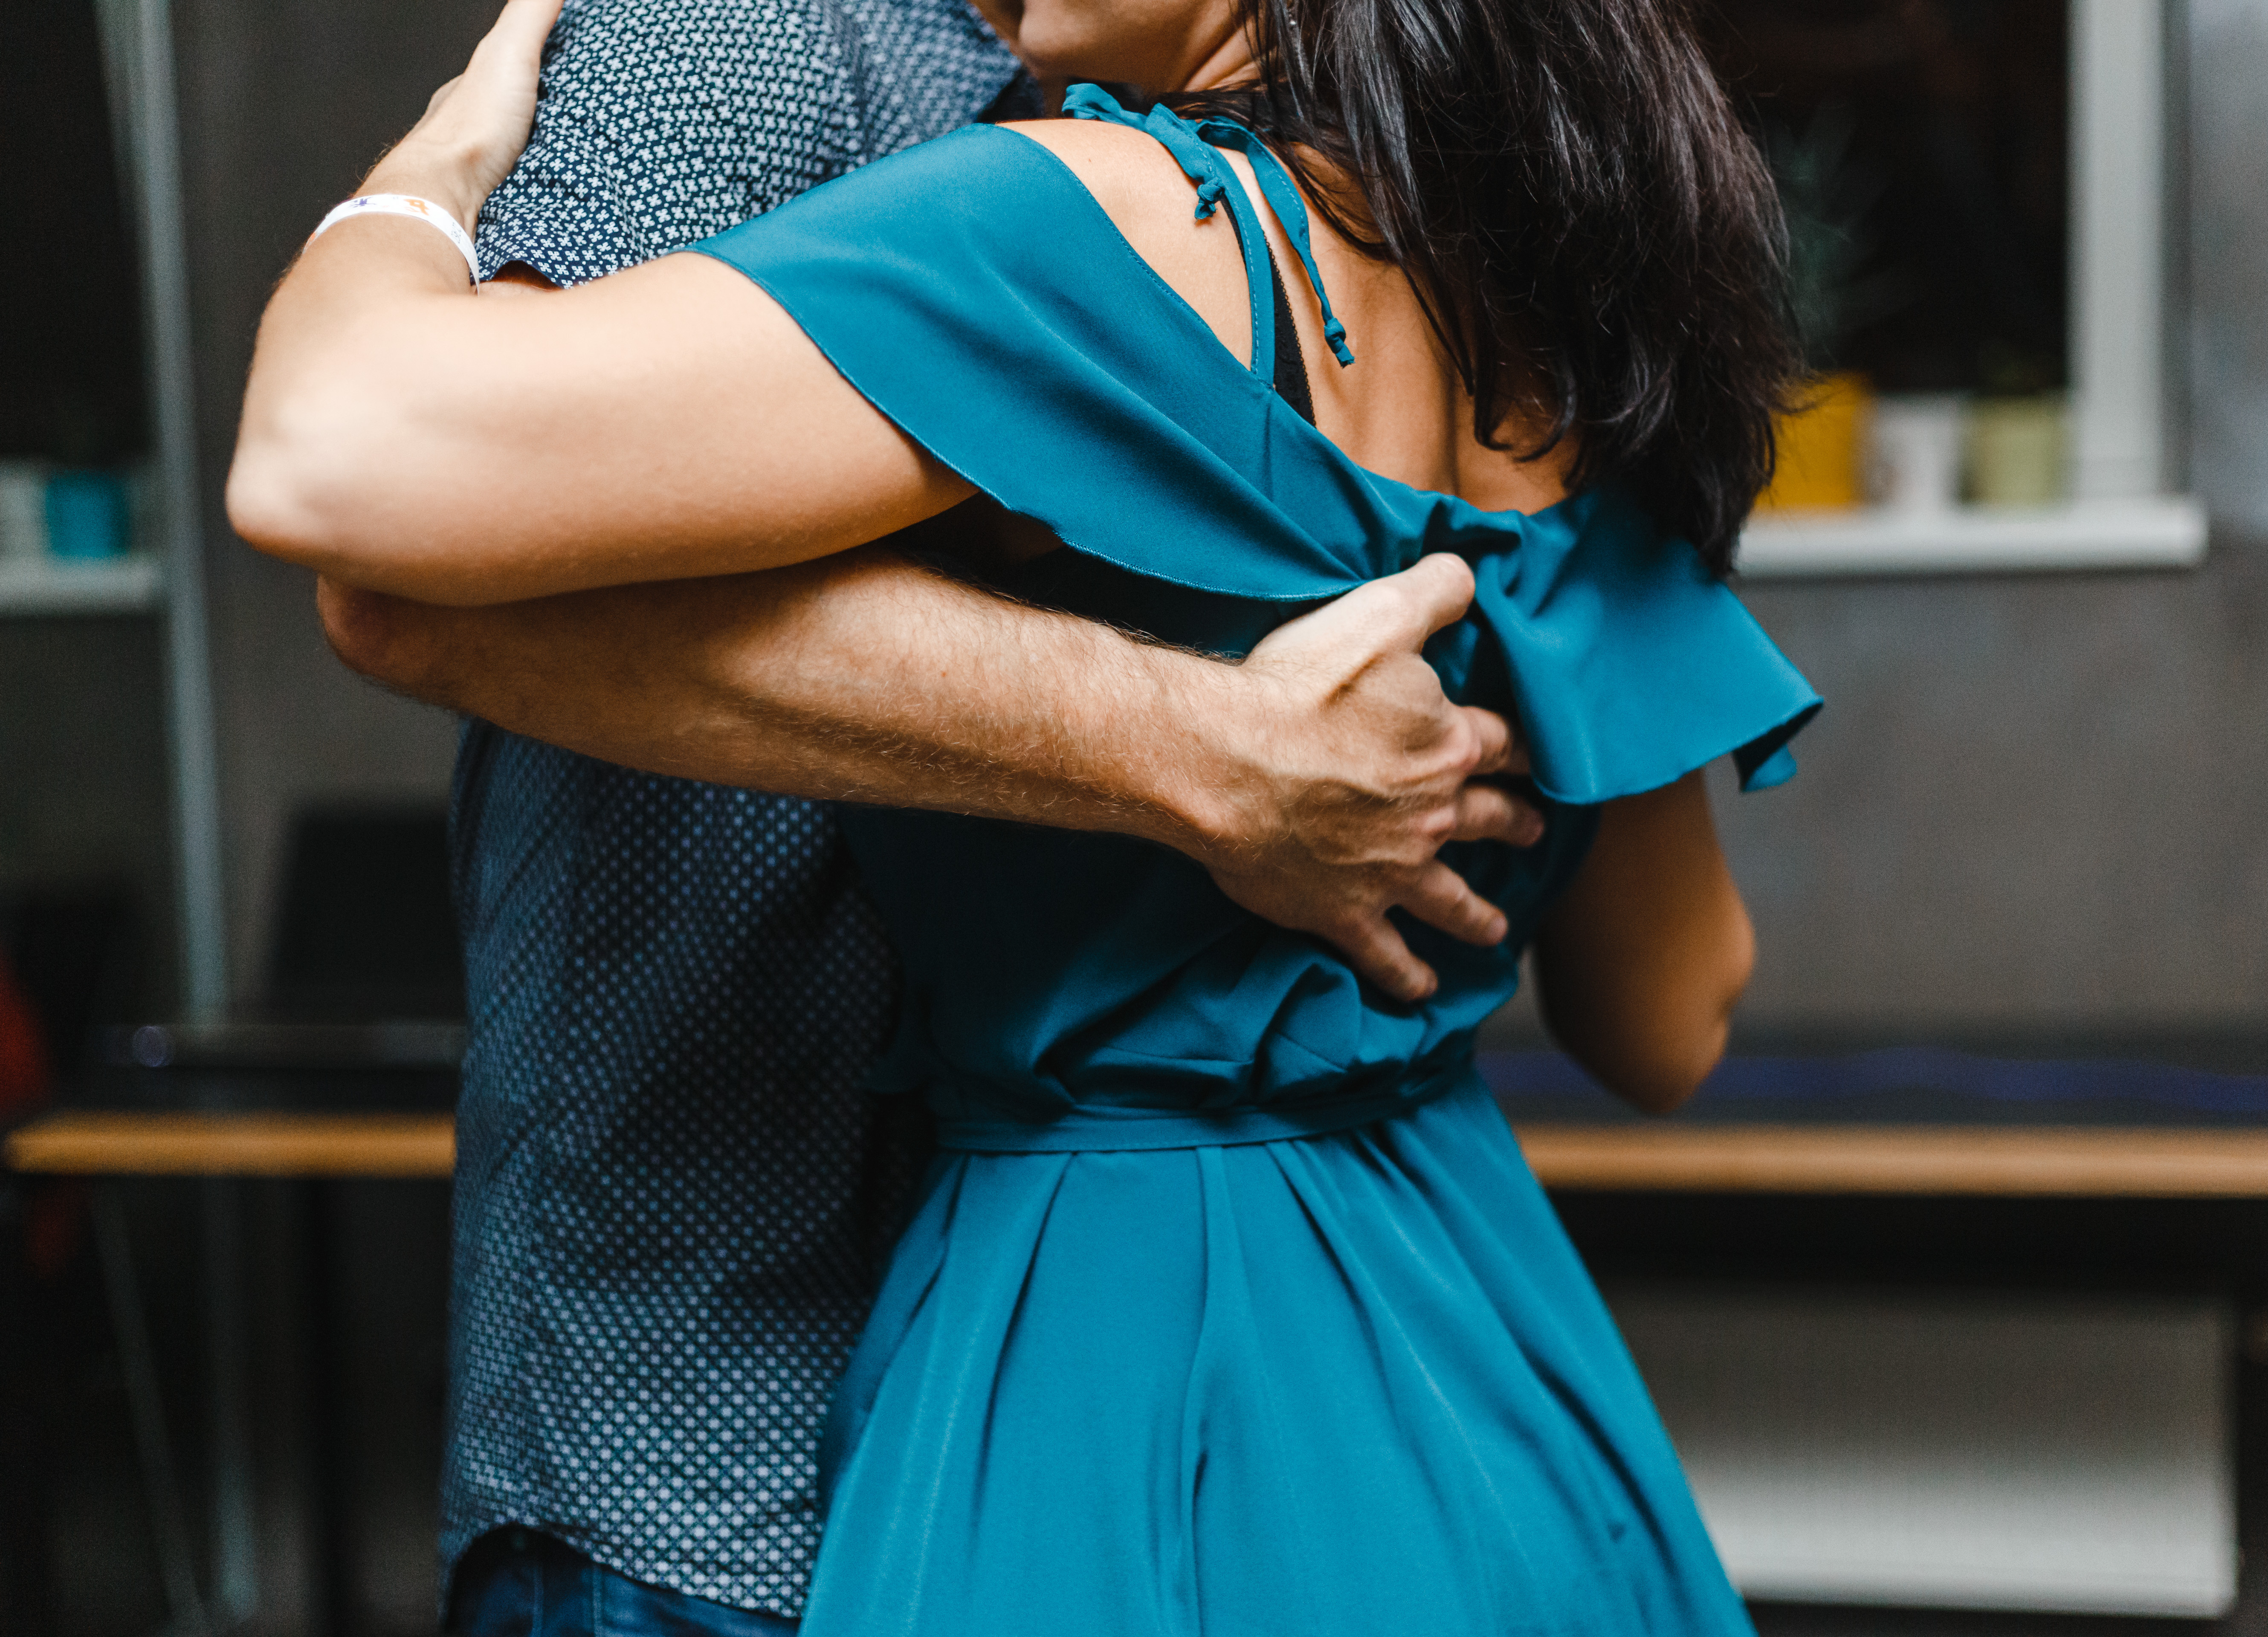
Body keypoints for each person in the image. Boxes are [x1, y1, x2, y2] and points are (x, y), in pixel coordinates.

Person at [231, 0, 1821, 1627]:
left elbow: (332, 458)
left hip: (1107, 1357)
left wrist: (418, 191)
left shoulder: (1103, 221)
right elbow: (1669, 1017)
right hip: (1485, 1359)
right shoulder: (1584, 317)